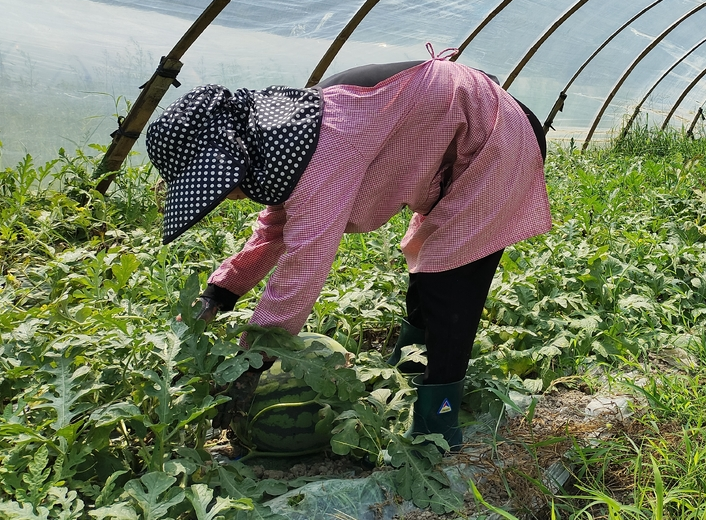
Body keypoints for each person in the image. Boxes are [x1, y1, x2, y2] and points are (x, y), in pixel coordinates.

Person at [145, 45, 552, 449]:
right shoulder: (281, 140)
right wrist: (219, 294)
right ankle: (411, 362)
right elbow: (274, 230)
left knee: (449, 281)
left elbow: (305, 265)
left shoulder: (321, 151)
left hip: (498, 133)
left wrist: (254, 358)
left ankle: (439, 419)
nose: (222, 195)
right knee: (427, 262)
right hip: (454, 132)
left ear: (231, 155)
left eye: (215, 183)